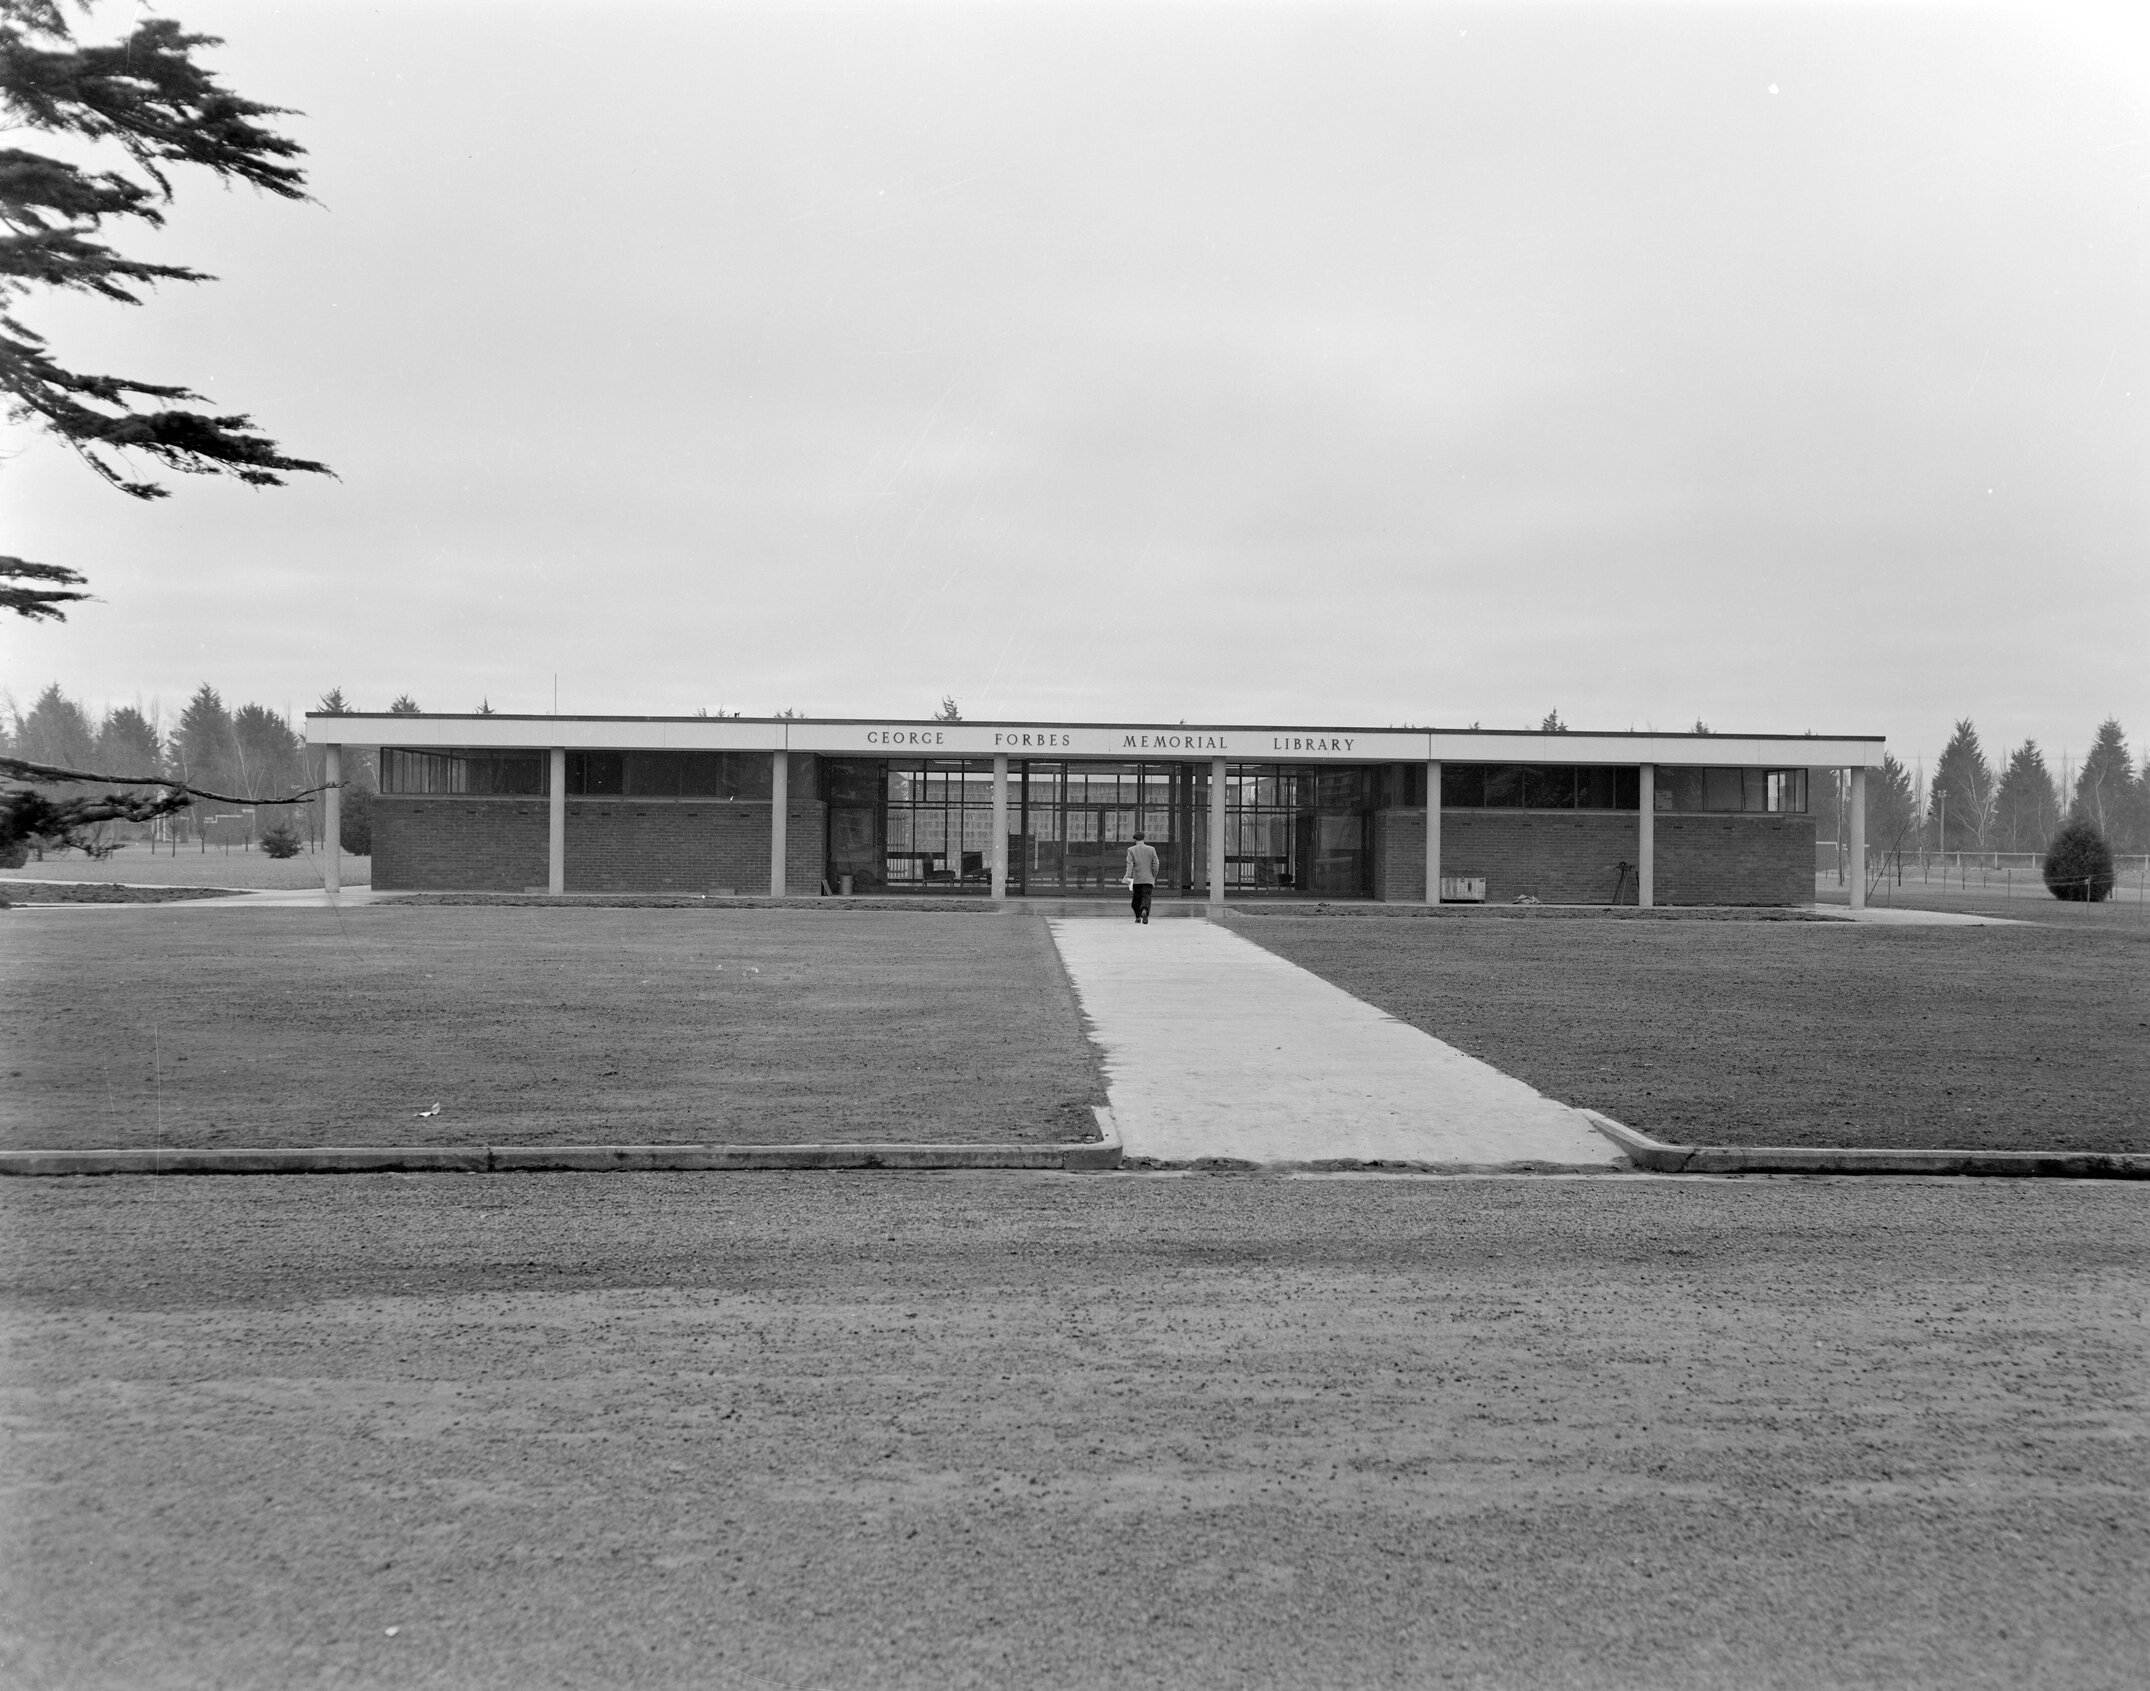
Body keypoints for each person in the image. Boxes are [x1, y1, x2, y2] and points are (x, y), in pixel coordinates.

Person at [1123, 830, 1160, 924]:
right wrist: (1153, 876)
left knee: (1136, 899)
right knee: (1146, 897)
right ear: (1143, 838)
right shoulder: (1151, 849)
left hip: (1137, 879)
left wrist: (1128, 877)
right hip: (1148, 879)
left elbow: (1130, 865)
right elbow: (1156, 864)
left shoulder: (1131, 850)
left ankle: (1137, 916)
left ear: (1135, 839)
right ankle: (1144, 910)